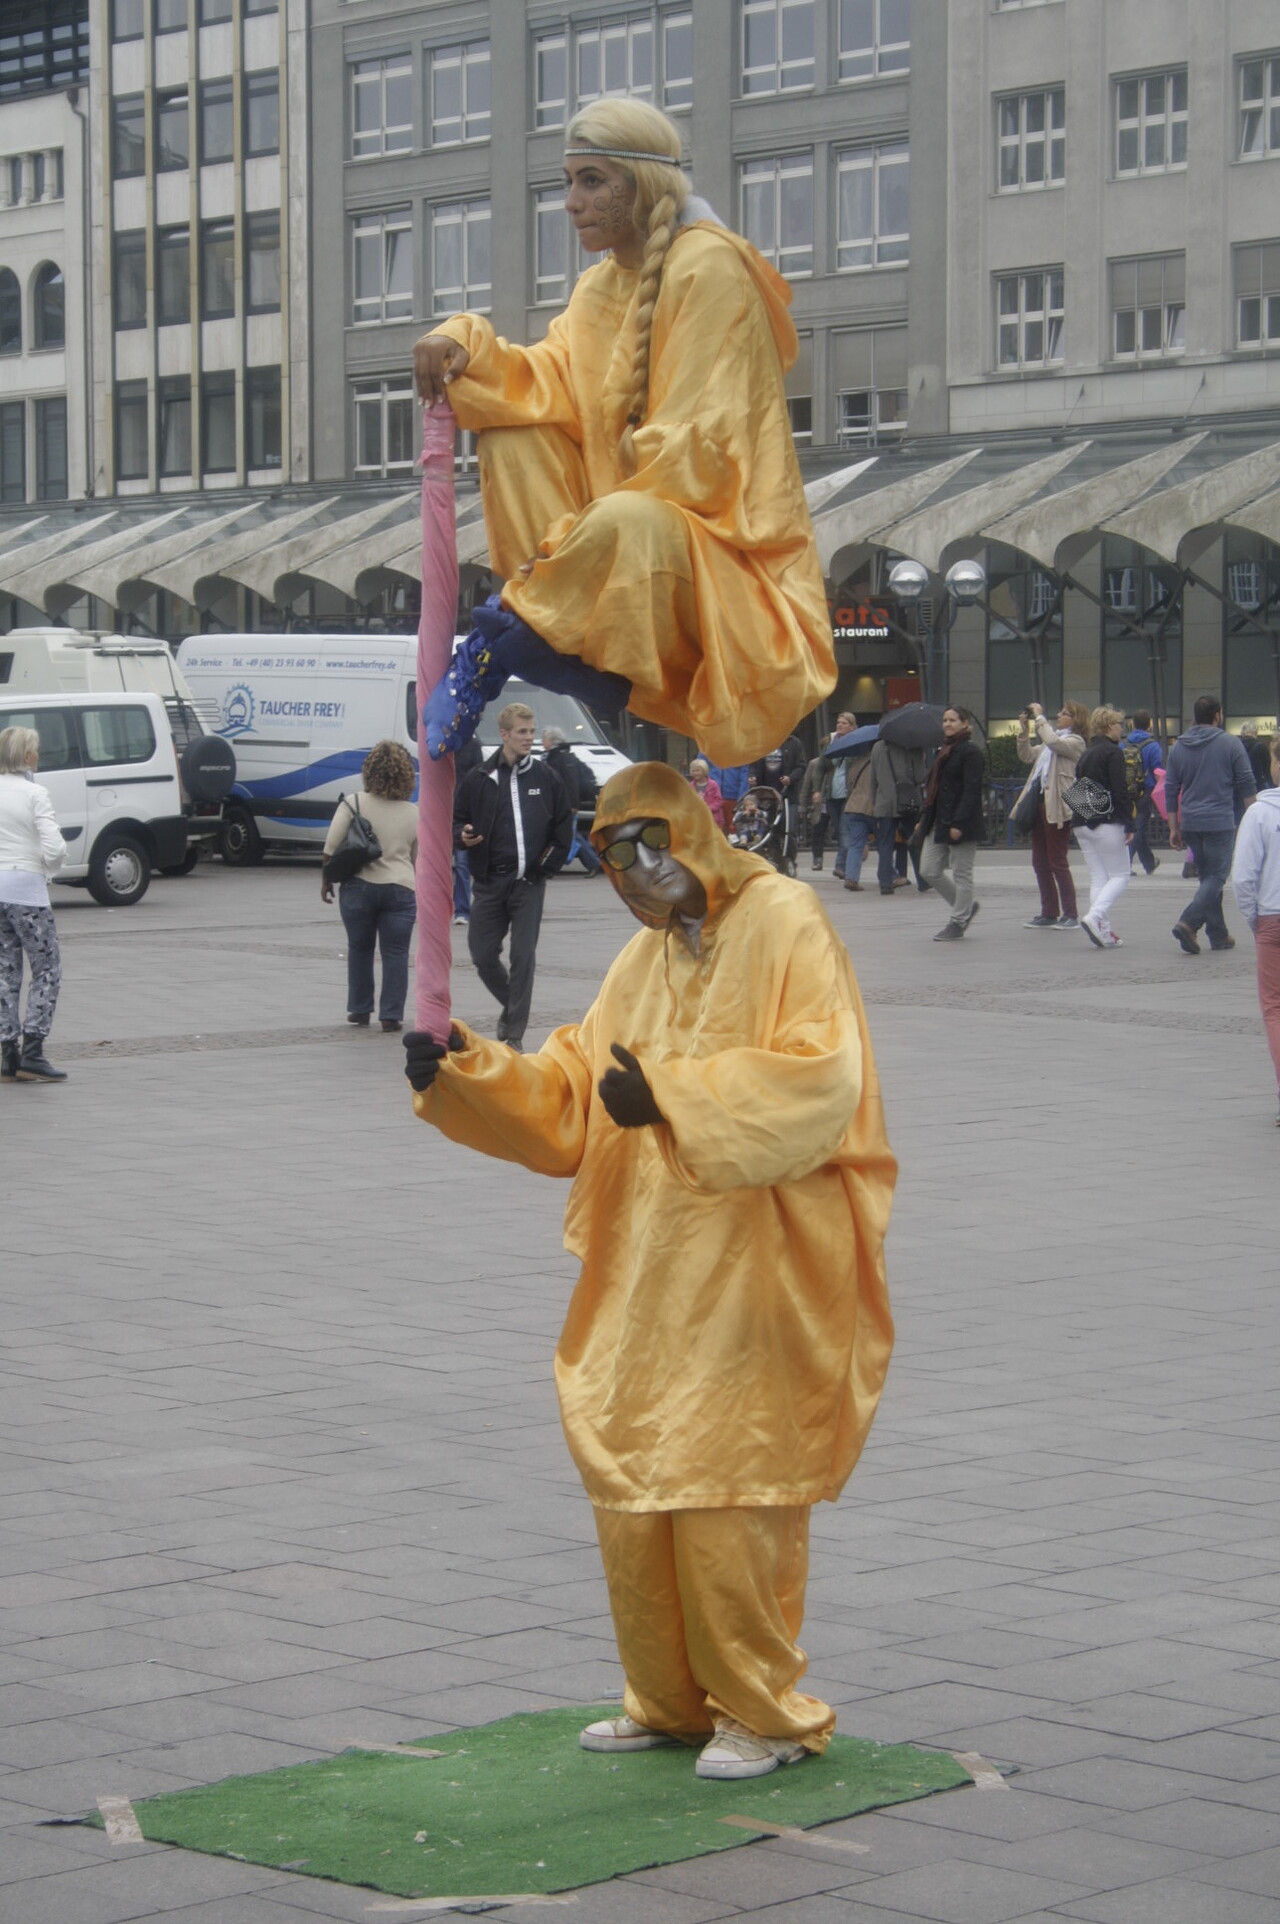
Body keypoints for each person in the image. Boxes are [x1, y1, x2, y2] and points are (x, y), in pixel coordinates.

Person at [403, 763, 894, 1781]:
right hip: (644, 1266)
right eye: (610, 855)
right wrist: (463, 1066)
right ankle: (667, 1698)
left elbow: (820, 1074)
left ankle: (761, 1708)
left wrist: (675, 1100)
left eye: (646, 847)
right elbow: (574, 1088)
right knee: (633, 1481)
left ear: (692, 834)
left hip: (752, 1258)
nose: (634, 874)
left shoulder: (786, 921)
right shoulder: (639, 960)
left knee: (725, 1481)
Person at [413, 98, 834, 765]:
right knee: (513, 435)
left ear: (642, 184)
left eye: (592, 180)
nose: (572, 202)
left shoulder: (710, 267)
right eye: (568, 182)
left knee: (625, 519)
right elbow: (539, 385)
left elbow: (702, 451)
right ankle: (548, 632)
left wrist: (574, 544)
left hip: (717, 559)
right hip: (609, 547)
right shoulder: (594, 289)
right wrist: (459, 342)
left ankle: (497, 643)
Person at [454, 701, 574, 1050]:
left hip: (529, 884)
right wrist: (461, 835)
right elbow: (456, 820)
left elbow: (562, 830)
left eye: (532, 732)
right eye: (522, 732)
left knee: (523, 957)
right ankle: (512, 1006)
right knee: (482, 954)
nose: (528, 738)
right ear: (504, 734)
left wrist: (544, 866)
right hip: (490, 883)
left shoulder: (546, 777)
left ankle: (515, 1033)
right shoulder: (479, 778)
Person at [321, 740, 419, 1033]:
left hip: (359, 887)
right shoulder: (414, 812)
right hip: (400, 888)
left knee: (360, 948)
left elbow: (330, 848)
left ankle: (360, 1008)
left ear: (369, 771)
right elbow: (417, 857)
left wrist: (326, 880)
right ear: (406, 775)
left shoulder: (353, 803)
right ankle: (391, 1014)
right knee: (396, 953)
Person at [0, 724, 68, 1083]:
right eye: (36, 750)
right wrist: (50, 868)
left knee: (5, 971)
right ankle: (33, 1051)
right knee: (47, 968)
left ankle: (6, 1053)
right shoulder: (34, 793)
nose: (38, 756)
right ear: (26, 756)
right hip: (26, 891)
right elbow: (55, 847)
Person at [1166, 695, 1256, 957]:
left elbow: (1171, 788)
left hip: (1191, 822)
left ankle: (1218, 934)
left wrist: (1174, 826)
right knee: (1217, 876)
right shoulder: (1230, 743)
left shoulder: (1178, 747)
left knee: (1208, 877)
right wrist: (1254, 816)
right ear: (1217, 715)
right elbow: (1246, 783)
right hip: (1219, 821)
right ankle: (1189, 922)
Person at [1231, 733, 1280, 1125]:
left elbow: (1244, 877)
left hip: (1273, 916)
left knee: (1275, 1007)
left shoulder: (1261, 813)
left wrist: (1254, 919)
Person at [1015, 700, 1087, 929]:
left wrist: (1039, 718)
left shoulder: (1075, 741)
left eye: (1065, 713)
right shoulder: (1050, 740)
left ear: (1075, 720)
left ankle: (1071, 914)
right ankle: (1049, 912)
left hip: (1057, 807)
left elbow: (1054, 743)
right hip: (1039, 805)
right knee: (1039, 861)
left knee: (1057, 861)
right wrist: (1024, 731)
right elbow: (1027, 756)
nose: (1059, 715)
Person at [917, 706, 985, 940]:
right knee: (928, 869)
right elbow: (934, 792)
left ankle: (957, 921)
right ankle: (963, 906)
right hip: (938, 820)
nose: (947, 724)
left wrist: (959, 822)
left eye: (953, 720)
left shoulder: (971, 752)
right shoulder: (943, 751)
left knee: (961, 872)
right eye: (945, 720)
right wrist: (924, 820)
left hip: (960, 821)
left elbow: (972, 790)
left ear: (965, 723)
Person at [1070, 707, 1134, 948]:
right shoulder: (1112, 752)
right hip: (1107, 821)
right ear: (1109, 727)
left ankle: (1103, 930)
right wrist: (1129, 822)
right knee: (1120, 875)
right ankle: (1095, 917)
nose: (1121, 729)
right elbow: (1120, 790)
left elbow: (1078, 783)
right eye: (1119, 724)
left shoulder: (1086, 753)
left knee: (1099, 876)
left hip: (1082, 820)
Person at [543, 726, 604, 874]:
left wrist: (573, 805)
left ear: (552, 740)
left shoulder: (563, 758)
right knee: (570, 835)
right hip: (558, 805)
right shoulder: (552, 756)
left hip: (565, 805)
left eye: (544, 738)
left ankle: (594, 863)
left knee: (570, 836)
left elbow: (571, 783)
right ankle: (593, 863)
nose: (542, 741)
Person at [869, 737, 920, 897]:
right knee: (913, 841)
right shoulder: (911, 745)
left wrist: (874, 802)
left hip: (884, 802)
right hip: (907, 802)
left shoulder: (877, 747)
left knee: (885, 844)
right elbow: (919, 776)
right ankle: (924, 879)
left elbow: (873, 778)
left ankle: (885, 883)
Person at [1124, 710, 1164, 875]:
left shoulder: (1123, 744)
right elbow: (1157, 771)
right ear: (1149, 725)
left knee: (1135, 827)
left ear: (1132, 723)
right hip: (1144, 792)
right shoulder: (1153, 745)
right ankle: (1125, 864)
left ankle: (1149, 863)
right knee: (1138, 828)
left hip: (1126, 792)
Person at [817, 713, 856, 877]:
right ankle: (849, 861)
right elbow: (820, 767)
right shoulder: (830, 743)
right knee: (840, 830)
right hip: (833, 794)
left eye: (844, 723)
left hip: (849, 795)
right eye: (838, 723)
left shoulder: (857, 743)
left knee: (845, 830)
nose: (839, 725)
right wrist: (817, 789)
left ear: (852, 726)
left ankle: (841, 866)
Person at [839, 745, 876, 893]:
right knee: (885, 843)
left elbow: (849, 785)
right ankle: (891, 875)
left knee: (855, 845)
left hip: (853, 806)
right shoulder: (878, 763)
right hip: (871, 807)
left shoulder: (855, 764)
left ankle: (851, 878)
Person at [686, 758, 728, 831]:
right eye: (693, 771)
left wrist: (709, 808)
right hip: (697, 819)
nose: (695, 773)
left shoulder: (713, 784)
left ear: (704, 770)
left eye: (697, 770)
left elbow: (719, 800)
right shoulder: (691, 786)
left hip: (713, 819)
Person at [1239, 723, 1274, 793]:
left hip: (1240, 788)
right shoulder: (1261, 747)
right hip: (1259, 787)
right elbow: (1268, 769)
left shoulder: (1236, 747)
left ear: (1242, 733)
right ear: (1255, 733)